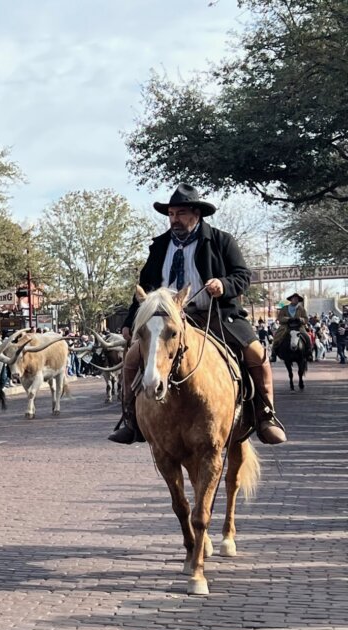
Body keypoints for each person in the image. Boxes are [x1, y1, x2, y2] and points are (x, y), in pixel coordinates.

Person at [108, 184, 286, 445]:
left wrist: (223, 285)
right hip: (167, 317)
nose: (174, 219)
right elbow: (144, 288)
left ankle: (265, 415)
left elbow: (242, 276)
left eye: (180, 213)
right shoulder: (159, 246)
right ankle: (131, 420)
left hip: (215, 312)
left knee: (256, 354)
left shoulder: (221, 240)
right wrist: (129, 322)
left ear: (196, 214)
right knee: (132, 359)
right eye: (170, 214)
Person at [270, 293, 311, 361]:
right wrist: (288, 319)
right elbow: (280, 318)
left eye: (297, 299)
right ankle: (273, 354)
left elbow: (306, 319)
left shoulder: (301, 309)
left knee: (307, 337)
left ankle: (309, 353)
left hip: (299, 327)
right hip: (286, 326)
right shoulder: (284, 308)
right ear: (291, 300)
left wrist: (300, 319)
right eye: (294, 299)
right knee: (277, 336)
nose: (296, 300)